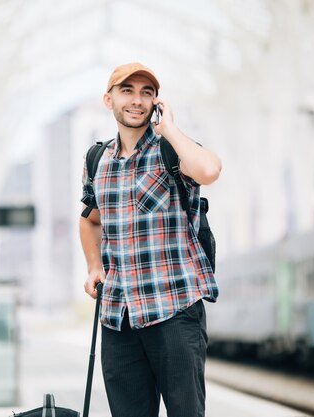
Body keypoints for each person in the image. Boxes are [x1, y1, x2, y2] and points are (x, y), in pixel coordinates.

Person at [79, 63, 222, 417]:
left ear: (156, 102)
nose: (137, 100)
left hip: (173, 309)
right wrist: (94, 266)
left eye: (147, 92)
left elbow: (209, 170)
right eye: (127, 91)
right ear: (108, 99)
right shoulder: (98, 160)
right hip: (119, 316)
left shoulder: (171, 151)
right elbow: (89, 220)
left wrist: (170, 129)